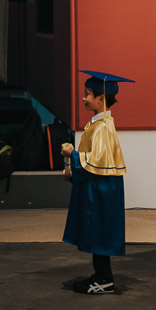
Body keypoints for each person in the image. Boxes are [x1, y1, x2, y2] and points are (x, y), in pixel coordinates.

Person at [61, 70, 134, 295]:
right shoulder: (98, 124)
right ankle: (101, 276)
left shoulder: (102, 128)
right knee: (96, 231)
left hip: (102, 190)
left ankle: (105, 280)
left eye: (87, 94)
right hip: (99, 187)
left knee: (100, 231)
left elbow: (96, 161)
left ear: (101, 99)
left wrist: (72, 154)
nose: (83, 98)